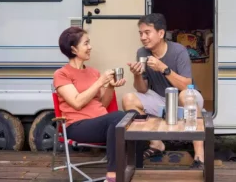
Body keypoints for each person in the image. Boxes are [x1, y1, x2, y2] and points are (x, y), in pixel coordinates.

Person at [122, 13, 205, 169]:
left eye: (147, 33)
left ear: (160, 33)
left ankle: (199, 155)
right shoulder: (142, 53)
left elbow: (187, 86)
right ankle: (156, 144)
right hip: (160, 100)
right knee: (128, 99)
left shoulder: (178, 50)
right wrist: (137, 75)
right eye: (140, 33)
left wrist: (163, 68)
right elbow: (142, 89)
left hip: (186, 99)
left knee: (186, 95)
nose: (143, 37)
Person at [53, 26, 136, 182]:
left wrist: (110, 85)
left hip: (102, 124)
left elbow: (103, 104)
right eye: (86, 43)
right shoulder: (62, 74)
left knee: (133, 117)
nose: (90, 47)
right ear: (73, 49)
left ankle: (137, 169)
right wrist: (100, 82)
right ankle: (112, 175)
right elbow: (76, 103)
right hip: (77, 126)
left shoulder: (93, 72)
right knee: (118, 117)